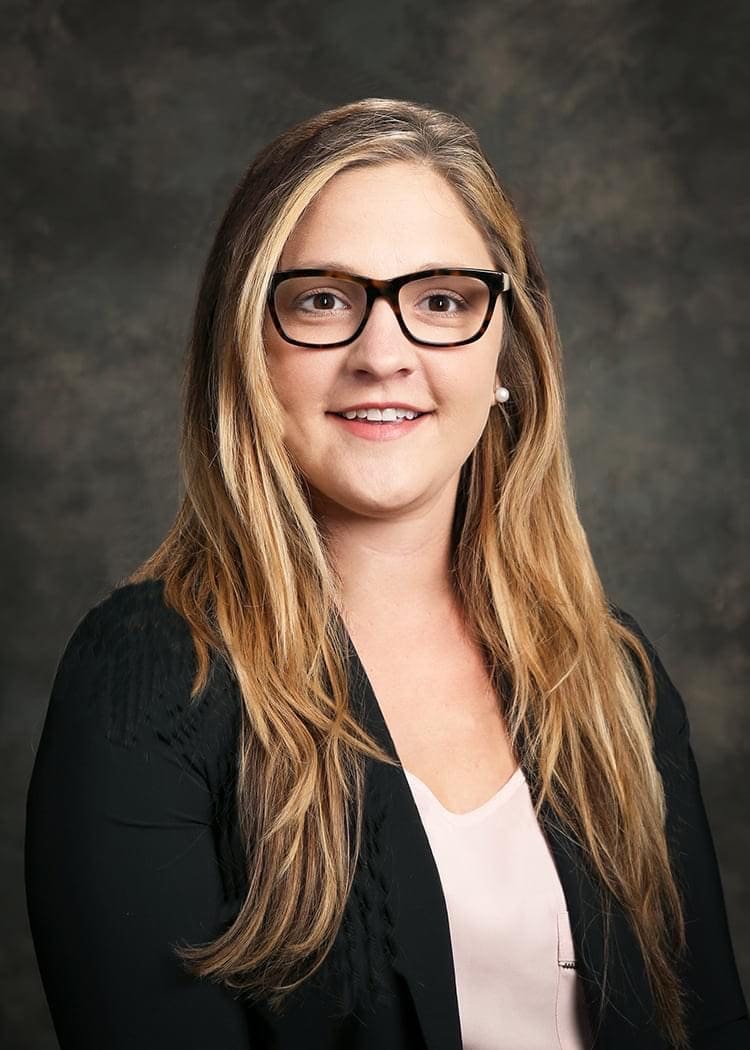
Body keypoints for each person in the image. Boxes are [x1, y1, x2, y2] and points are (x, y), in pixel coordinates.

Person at [24, 98, 748, 1050]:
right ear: (249, 347)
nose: (383, 355)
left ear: (509, 355)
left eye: (441, 300)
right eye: (323, 299)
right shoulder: (152, 675)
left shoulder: (612, 675)